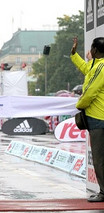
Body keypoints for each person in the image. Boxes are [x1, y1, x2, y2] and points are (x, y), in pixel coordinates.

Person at [71, 36, 104, 202]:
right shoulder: (96, 65)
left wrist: (80, 104)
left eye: (91, 48)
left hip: (98, 118)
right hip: (99, 117)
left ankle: (103, 192)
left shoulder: (101, 67)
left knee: (98, 158)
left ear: (95, 50)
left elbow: (90, 92)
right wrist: (74, 54)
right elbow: (86, 69)